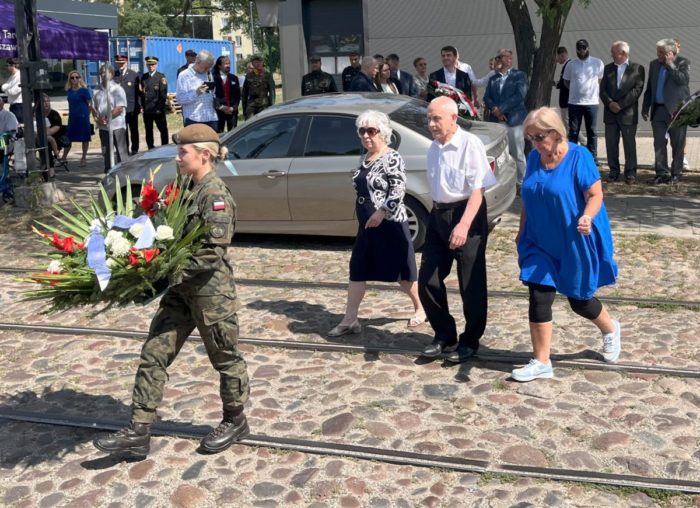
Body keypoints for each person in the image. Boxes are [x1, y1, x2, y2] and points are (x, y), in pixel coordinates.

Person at [93, 124, 251, 456]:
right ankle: (139, 431)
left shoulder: (215, 195)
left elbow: (213, 251)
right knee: (154, 354)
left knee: (225, 358)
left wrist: (169, 274)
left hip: (210, 294)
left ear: (204, 155)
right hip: (181, 292)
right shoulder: (184, 187)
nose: (178, 158)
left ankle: (235, 419)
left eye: (183, 153)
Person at [513, 107, 620, 382]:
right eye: (531, 138)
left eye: (539, 137)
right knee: (539, 295)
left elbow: (595, 194)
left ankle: (610, 329)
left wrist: (587, 216)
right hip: (539, 240)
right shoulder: (535, 157)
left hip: (572, 239)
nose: (535, 144)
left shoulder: (578, 156)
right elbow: (529, 198)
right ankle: (541, 361)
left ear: (555, 132)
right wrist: (521, 231)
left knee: (580, 300)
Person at [328, 110, 425, 336]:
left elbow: (398, 190)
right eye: (362, 131)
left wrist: (382, 211)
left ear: (383, 132)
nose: (366, 136)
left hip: (389, 224)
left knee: (402, 272)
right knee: (358, 270)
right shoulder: (365, 158)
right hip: (367, 225)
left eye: (371, 131)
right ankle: (350, 319)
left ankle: (421, 308)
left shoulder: (392, 157)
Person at [419, 97, 497, 364]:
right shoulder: (433, 147)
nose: (431, 124)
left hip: (467, 214)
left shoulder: (469, 144)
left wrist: (463, 224)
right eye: (429, 119)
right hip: (439, 214)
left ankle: (470, 341)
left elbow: (478, 189)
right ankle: (444, 334)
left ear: (453, 118)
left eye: (436, 119)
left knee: (470, 283)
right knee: (427, 279)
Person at [641, 38, 691, 184]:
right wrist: (645, 107)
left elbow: (683, 80)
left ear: (669, 53)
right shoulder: (654, 64)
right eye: (658, 52)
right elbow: (650, 87)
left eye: (661, 53)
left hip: (677, 111)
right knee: (659, 143)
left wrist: (670, 65)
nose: (658, 55)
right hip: (658, 110)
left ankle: (676, 174)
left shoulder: (683, 62)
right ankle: (661, 173)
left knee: (677, 144)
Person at [599, 41, 645, 184]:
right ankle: (613, 172)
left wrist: (620, 104)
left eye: (614, 52)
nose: (611, 54)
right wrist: (610, 103)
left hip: (628, 113)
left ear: (623, 53)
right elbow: (602, 90)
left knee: (629, 144)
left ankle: (630, 173)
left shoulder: (637, 68)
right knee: (611, 144)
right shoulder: (607, 69)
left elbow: (637, 90)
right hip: (610, 113)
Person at [483, 49, 528, 185]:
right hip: (498, 122)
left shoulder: (519, 75)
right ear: (498, 59)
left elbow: (520, 95)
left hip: (514, 121)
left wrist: (500, 109)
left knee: (518, 153)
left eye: (510, 56)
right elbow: (487, 97)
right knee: (500, 154)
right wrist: (495, 110)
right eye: (505, 57)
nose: (509, 59)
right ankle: (503, 183)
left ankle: (522, 182)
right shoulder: (493, 79)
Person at [563, 39, 604, 163]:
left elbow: (600, 80)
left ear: (588, 48)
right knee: (573, 131)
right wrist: (576, 90)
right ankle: (572, 157)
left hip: (592, 103)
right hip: (575, 103)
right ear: (576, 49)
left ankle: (593, 158)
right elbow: (566, 81)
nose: (581, 50)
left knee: (592, 131)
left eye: (584, 48)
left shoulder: (597, 63)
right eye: (579, 48)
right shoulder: (571, 64)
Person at [92, 63, 129, 173]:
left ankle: (125, 175)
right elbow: (93, 107)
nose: (103, 75)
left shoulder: (118, 89)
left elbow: (119, 108)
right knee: (106, 153)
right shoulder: (96, 90)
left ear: (111, 74)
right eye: (101, 73)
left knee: (121, 152)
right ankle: (109, 175)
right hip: (103, 128)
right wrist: (97, 119)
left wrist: (107, 118)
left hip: (117, 126)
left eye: (105, 72)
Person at [177, 50, 219, 130]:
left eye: (210, 67)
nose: (208, 69)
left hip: (211, 118)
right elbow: (180, 99)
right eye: (206, 67)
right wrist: (196, 93)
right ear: (198, 62)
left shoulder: (208, 74)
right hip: (194, 119)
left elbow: (212, 94)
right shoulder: (184, 75)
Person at [114, 55, 141, 156]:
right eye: (118, 63)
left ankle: (135, 149)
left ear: (126, 63)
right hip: (119, 108)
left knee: (134, 130)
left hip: (132, 107)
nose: (120, 65)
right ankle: (125, 149)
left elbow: (139, 93)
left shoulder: (134, 75)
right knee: (122, 130)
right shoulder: (114, 74)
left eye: (122, 63)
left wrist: (139, 106)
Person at [141, 56, 169, 149]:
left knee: (163, 130)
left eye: (152, 65)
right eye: (149, 65)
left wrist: (159, 108)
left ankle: (165, 148)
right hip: (147, 110)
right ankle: (150, 148)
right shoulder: (144, 77)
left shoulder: (161, 77)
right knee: (148, 131)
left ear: (156, 65)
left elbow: (163, 94)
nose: (151, 66)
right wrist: (142, 106)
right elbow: (141, 93)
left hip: (158, 109)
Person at [65, 71, 92, 166]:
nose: (75, 79)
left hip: (83, 117)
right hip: (72, 117)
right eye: (72, 78)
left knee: (85, 138)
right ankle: (64, 157)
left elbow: (89, 103)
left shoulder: (84, 90)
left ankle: (83, 158)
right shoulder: (69, 91)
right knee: (69, 137)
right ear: (70, 79)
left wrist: (87, 114)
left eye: (77, 77)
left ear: (80, 78)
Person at [241, 55, 276, 120]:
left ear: (262, 63)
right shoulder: (248, 76)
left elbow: (272, 92)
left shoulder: (267, 75)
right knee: (249, 123)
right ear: (252, 64)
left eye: (259, 62)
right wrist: (244, 108)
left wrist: (272, 106)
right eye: (255, 62)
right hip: (252, 104)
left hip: (264, 103)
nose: (257, 64)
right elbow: (244, 94)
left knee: (263, 122)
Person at [213, 55, 241, 133]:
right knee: (219, 134)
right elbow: (212, 95)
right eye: (225, 64)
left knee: (233, 134)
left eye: (229, 63)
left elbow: (237, 95)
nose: (228, 66)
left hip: (232, 111)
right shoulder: (213, 78)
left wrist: (233, 107)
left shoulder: (234, 78)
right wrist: (221, 107)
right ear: (219, 66)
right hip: (219, 111)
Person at [42, 94, 70, 169]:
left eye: (47, 101)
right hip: (39, 136)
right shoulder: (36, 114)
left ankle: (57, 157)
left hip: (55, 136)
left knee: (49, 140)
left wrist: (44, 134)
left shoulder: (54, 114)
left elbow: (56, 127)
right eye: (44, 101)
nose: (46, 103)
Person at [1, 58, 23, 124]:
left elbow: (13, 92)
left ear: (13, 65)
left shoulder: (19, 76)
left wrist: (6, 90)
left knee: (19, 126)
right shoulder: (12, 76)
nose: (7, 68)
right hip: (13, 105)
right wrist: (7, 89)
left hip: (19, 106)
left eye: (8, 65)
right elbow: (3, 87)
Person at [554, 47, 571, 127]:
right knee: (568, 121)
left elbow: (565, 83)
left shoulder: (568, 65)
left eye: (556, 56)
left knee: (567, 122)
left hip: (567, 100)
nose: (556, 60)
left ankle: (581, 140)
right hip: (566, 100)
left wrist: (557, 84)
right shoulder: (567, 65)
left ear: (562, 55)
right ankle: (580, 139)